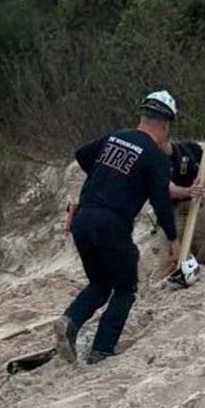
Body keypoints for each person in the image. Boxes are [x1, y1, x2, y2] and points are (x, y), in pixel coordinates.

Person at [53, 91, 179, 365]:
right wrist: (173, 238)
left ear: (143, 116)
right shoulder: (155, 157)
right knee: (125, 288)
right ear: (166, 125)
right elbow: (161, 202)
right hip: (112, 224)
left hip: (82, 220)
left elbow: (82, 155)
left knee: (99, 283)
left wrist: (108, 174)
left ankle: (70, 320)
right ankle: (102, 349)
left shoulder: (115, 137)